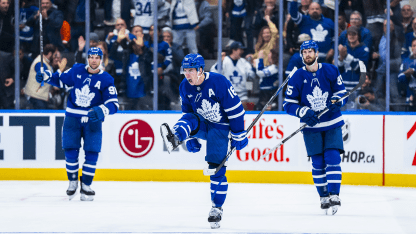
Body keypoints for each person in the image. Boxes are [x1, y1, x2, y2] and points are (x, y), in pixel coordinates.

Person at [160, 53, 248, 229]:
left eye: (191, 70)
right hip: (201, 123)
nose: (187, 74)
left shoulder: (218, 82)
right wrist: (191, 136)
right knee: (189, 119)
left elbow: (236, 110)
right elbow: (187, 112)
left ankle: (216, 208)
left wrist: (239, 134)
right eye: (185, 70)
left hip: (220, 128)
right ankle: (176, 138)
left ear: (200, 70)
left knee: (215, 169)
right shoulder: (185, 85)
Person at [34, 47, 119, 201]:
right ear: (88, 58)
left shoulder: (106, 79)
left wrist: (102, 110)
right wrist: (47, 76)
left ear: (101, 59)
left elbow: (114, 104)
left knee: (92, 153)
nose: (94, 60)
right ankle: (73, 181)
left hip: (92, 121)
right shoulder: (77, 70)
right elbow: (60, 80)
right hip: (72, 118)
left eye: (97, 57)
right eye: (91, 57)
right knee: (70, 151)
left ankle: (86, 185)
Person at [283, 40, 347, 215]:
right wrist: (303, 111)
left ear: (317, 53)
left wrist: (337, 101)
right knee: (318, 163)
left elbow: (342, 92)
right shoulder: (296, 77)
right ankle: (323, 196)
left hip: (332, 122)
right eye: (304, 52)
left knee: (332, 157)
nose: (307, 55)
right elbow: (288, 105)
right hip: (311, 127)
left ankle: (334, 194)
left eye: (310, 51)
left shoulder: (330, 70)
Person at [211, 41, 256, 110]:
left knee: (243, 109)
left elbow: (251, 76)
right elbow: (213, 72)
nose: (242, 51)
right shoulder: (224, 60)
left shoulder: (243, 62)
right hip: (227, 94)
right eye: (240, 49)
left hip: (242, 95)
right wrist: (220, 62)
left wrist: (252, 64)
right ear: (234, 50)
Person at [337, 25, 369, 108]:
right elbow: (339, 69)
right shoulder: (344, 48)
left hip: (357, 88)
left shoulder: (364, 49)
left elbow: (359, 68)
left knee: (354, 111)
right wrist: (340, 58)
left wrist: (346, 56)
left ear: (358, 35)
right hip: (343, 87)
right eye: (349, 34)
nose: (351, 36)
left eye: (354, 34)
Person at [24, 44, 56, 109]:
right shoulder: (40, 63)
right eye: (54, 55)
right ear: (50, 54)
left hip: (40, 97)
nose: (55, 57)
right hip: (36, 97)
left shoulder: (44, 62)